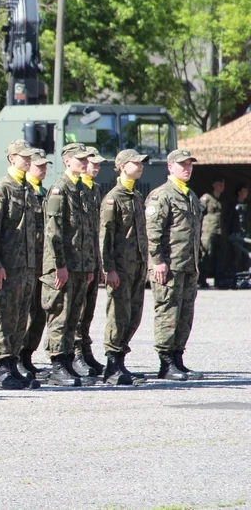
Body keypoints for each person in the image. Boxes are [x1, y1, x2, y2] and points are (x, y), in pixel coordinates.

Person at [0, 140, 40, 390]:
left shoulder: (27, 187)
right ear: (11, 158)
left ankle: (14, 362)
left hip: (27, 265)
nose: (28, 160)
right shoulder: (2, 188)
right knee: (5, 315)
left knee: (20, 318)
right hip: (8, 265)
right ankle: (2, 366)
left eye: (30, 157)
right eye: (24, 156)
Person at [41, 142, 96, 388]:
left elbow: (86, 232)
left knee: (74, 317)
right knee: (60, 317)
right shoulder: (59, 190)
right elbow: (53, 233)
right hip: (64, 266)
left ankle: (68, 361)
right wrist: (58, 265)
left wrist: (89, 266)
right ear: (67, 161)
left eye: (86, 159)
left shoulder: (81, 190)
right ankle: (57, 365)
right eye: (80, 159)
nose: (84, 163)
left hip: (80, 266)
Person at [146, 149, 204, 381]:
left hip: (188, 265)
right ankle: (166, 362)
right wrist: (157, 261)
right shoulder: (162, 195)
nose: (187, 168)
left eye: (190, 165)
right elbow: (153, 232)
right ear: (170, 167)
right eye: (182, 165)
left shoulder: (189, 195)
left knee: (185, 314)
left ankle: (178, 358)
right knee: (168, 312)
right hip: (169, 266)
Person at [100, 149, 150, 385]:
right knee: (118, 315)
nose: (141, 166)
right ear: (122, 166)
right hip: (120, 268)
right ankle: (111, 366)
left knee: (133, 316)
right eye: (135, 162)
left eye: (141, 163)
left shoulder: (136, 196)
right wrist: (108, 268)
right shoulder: (114, 198)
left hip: (137, 267)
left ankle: (121, 361)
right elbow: (106, 236)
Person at [73, 146, 106, 377]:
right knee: (76, 308)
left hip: (91, 258)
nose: (95, 166)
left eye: (98, 163)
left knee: (89, 309)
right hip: (77, 260)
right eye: (91, 161)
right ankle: (75, 353)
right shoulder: (77, 189)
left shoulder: (95, 189)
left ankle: (85, 349)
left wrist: (100, 262)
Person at [21, 149, 52, 379]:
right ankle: (17, 355)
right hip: (25, 262)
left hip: (43, 262)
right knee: (23, 312)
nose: (42, 169)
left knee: (40, 312)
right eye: (38, 165)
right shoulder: (23, 192)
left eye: (45, 166)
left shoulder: (46, 193)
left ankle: (28, 355)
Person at [199, 179, 224, 288]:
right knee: (206, 255)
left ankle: (218, 280)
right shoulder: (207, 197)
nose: (222, 186)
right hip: (208, 231)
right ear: (214, 185)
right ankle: (202, 280)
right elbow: (199, 211)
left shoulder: (220, 201)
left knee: (218, 257)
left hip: (218, 231)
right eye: (219, 184)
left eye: (223, 185)